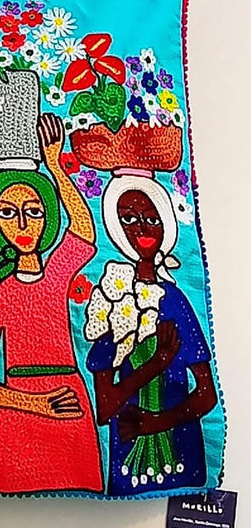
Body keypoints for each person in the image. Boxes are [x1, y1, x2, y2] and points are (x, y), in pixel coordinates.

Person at [0, 113, 103, 494]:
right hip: (19, 412)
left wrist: (55, 165)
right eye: (8, 212)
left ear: (48, 218)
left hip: (71, 402)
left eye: (34, 211)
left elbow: (84, 232)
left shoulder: (57, 273)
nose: (22, 223)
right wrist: (38, 403)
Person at [85, 171, 218, 495]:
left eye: (152, 219)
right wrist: (156, 363)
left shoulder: (175, 301)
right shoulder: (112, 299)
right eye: (129, 219)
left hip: (181, 451)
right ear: (116, 228)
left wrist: (157, 423)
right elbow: (105, 408)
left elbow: (206, 394)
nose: (142, 229)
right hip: (128, 455)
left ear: (166, 225)